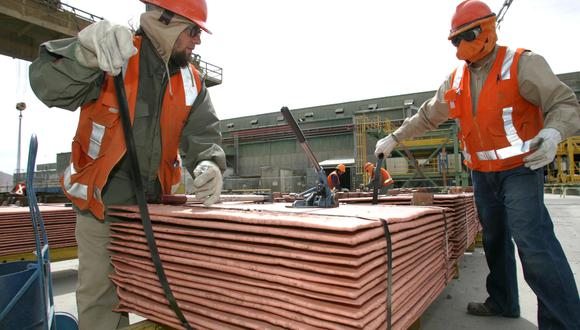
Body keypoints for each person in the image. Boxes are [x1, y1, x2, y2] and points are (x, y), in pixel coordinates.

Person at [374, 1, 580, 328]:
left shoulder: (522, 64)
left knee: (533, 241)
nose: (458, 47)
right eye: (454, 41)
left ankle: (564, 322)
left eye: (463, 38)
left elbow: (563, 103)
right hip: (482, 176)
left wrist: (554, 133)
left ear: (484, 31)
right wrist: (395, 138)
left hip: (520, 170)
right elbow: (428, 115)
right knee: (495, 239)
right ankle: (502, 301)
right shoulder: (456, 80)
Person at [29, 0, 226, 328]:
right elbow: (48, 86)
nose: (198, 40)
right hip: (101, 205)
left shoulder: (191, 80)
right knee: (101, 298)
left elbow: (203, 134)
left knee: (172, 294)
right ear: (165, 20)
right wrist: (83, 55)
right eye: (192, 30)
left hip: (155, 207)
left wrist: (210, 164)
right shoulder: (112, 54)